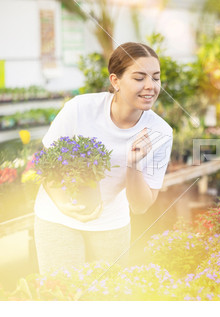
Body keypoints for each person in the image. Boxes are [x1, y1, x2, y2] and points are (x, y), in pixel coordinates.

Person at [33, 42, 173, 274]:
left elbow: (140, 207)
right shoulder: (80, 109)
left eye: (156, 78)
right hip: (57, 217)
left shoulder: (160, 132)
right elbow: (46, 164)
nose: (150, 86)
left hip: (111, 223)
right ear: (115, 81)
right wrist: (62, 202)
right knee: (62, 297)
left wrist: (133, 165)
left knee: (109, 298)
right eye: (139, 78)